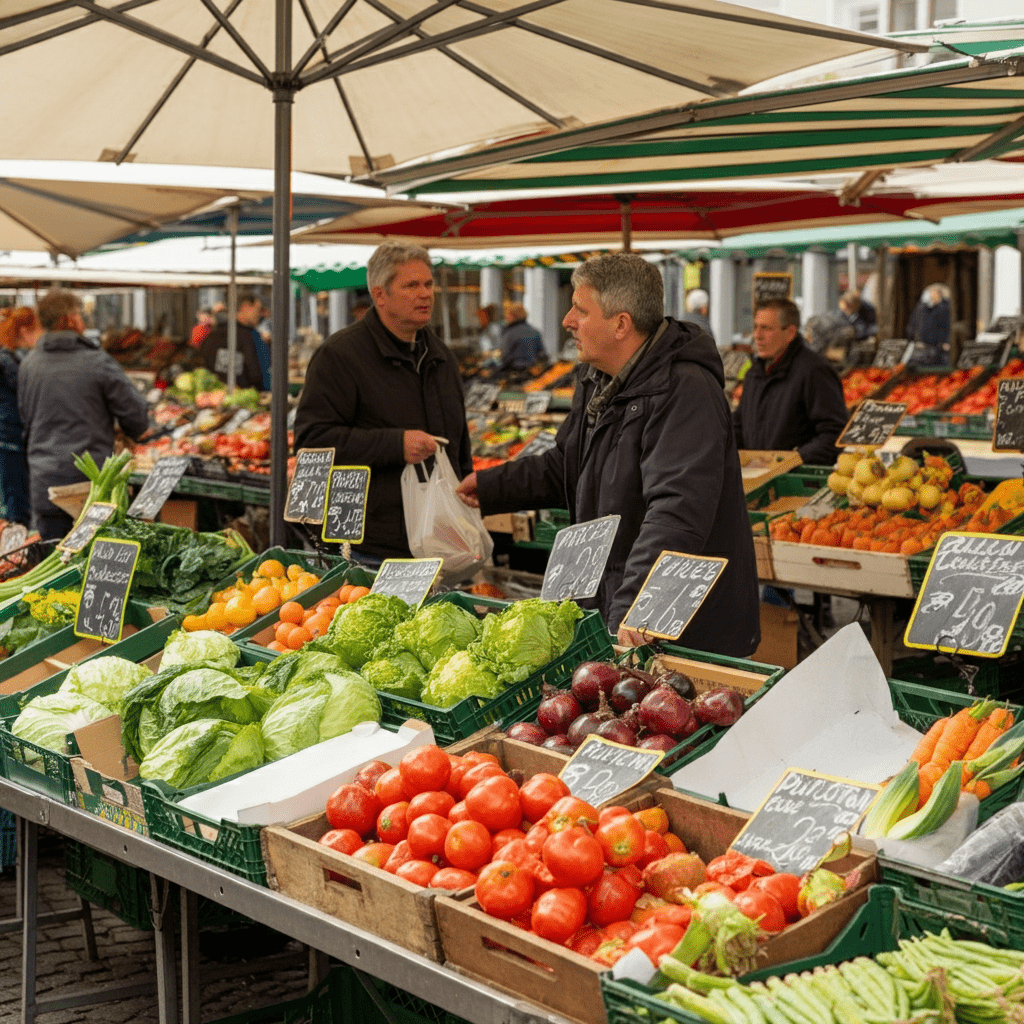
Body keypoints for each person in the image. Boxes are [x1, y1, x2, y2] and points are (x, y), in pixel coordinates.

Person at [456, 253, 760, 657]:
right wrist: (493, 485)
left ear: (621, 324)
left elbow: (676, 512)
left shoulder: (686, 390)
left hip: (681, 628)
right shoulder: (597, 379)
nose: (567, 321)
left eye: (580, 310)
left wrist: (632, 609)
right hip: (613, 602)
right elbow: (568, 463)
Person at [293, 242, 472, 563]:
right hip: (372, 544)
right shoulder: (339, 356)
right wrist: (394, 444)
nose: (425, 294)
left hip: (443, 537)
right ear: (379, 295)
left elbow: (459, 445)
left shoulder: (441, 357)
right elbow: (312, 442)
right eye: (411, 285)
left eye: (429, 284)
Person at [18, 290, 149, 541]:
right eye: (80, 315)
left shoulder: (29, 364)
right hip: (91, 484)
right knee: (94, 562)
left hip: (45, 482)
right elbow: (137, 418)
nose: (84, 321)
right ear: (69, 320)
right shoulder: (98, 361)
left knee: (52, 562)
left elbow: (27, 419)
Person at [733, 298, 849, 467]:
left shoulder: (814, 371)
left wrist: (793, 459)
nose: (757, 335)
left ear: (790, 333)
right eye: (756, 327)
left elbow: (835, 434)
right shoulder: (755, 373)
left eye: (766, 328)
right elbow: (739, 424)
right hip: (758, 478)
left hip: (798, 482)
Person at [0, 307, 41, 525]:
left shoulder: (9, 356)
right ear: (25, 331)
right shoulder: (6, 360)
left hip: (10, 437)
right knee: (17, 503)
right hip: (11, 438)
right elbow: (26, 391)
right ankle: (15, 551)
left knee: (16, 499)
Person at [199, 292, 270, 390]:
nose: (260, 314)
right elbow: (257, 374)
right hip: (247, 398)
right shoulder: (249, 337)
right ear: (245, 307)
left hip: (215, 395)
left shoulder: (213, 335)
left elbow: (203, 364)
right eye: (258, 309)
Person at [906, 284, 951, 366]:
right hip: (922, 344)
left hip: (938, 345)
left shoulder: (944, 307)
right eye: (931, 293)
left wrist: (945, 342)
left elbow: (945, 327)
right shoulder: (921, 307)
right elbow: (914, 325)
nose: (932, 295)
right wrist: (916, 340)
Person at [499, 303, 546, 371]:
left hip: (514, 372)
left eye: (507, 315)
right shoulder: (535, 331)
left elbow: (505, 357)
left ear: (513, 316)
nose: (505, 317)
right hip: (532, 372)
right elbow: (543, 354)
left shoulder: (510, 333)